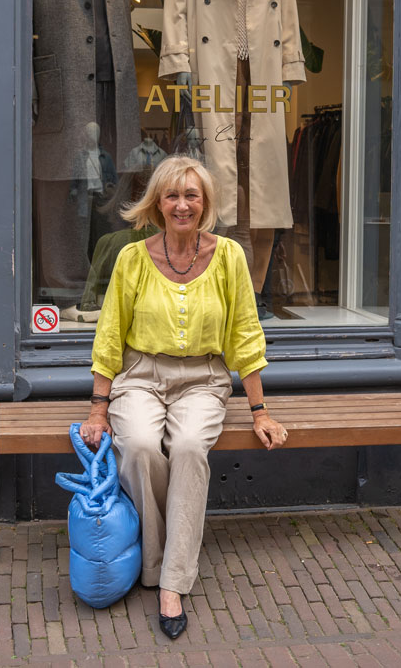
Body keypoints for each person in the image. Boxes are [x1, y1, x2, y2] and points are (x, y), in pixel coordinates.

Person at [79, 154, 288, 639]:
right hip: (140, 375)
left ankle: (171, 582)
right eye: (171, 195)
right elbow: (110, 336)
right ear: (156, 203)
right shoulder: (132, 258)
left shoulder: (229, 256)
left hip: (203, 379)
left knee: (192, 447)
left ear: (205, 203)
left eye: (191, 195)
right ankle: (153, 563)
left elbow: (244, 333)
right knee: (141, 447)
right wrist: (98, 408)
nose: (181, 205)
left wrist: (259, 410)